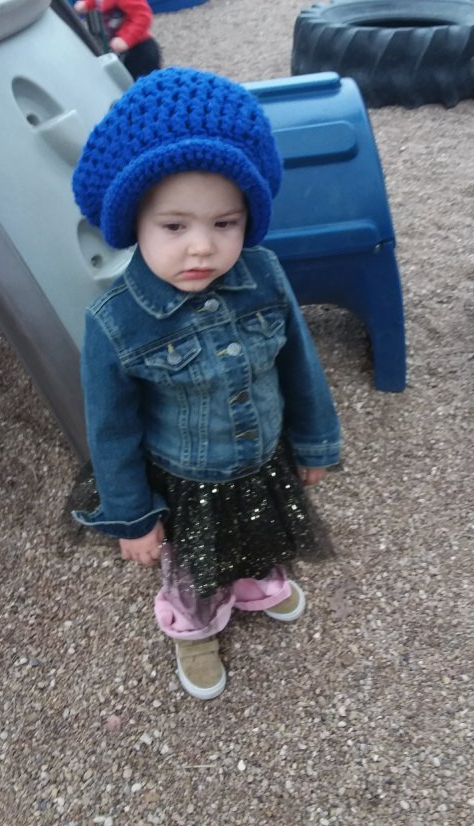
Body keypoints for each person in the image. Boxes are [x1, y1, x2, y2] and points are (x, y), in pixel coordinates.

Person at [71, 67, 341, 700]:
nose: (202, 248)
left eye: (225, 223)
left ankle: (252, 581)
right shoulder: (116, 322)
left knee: (264, 527)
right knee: (193, 566)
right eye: (174, 226)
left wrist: (315, 442)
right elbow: (111, 428)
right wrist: (132, 517)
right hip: (186, 478)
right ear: (134, 220)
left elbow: (299, 366)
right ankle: (193, 624)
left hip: (261, 457)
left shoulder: (265, 276)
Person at [73, 0, 161, 79]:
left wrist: (126, 39)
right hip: (124, 50)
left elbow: (143, 16)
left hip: (140, 49)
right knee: (125, 78)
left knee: (145, 80)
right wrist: (86, 4)